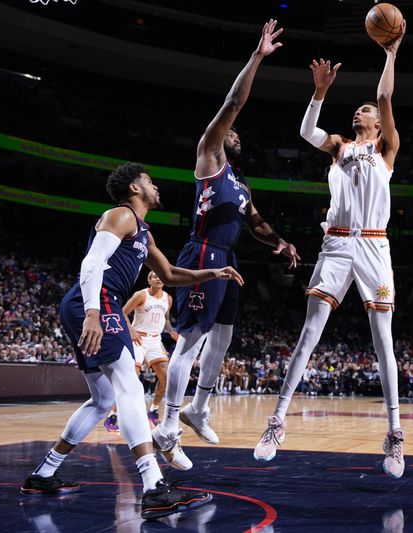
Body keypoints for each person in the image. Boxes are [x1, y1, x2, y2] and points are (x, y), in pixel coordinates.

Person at [20, 162, 243, 519]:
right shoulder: (121, 215)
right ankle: (155, 487)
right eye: (150, 181)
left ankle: (43, 474)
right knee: (130, 388)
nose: (156, 186)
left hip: (88, 304)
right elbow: (92, 262)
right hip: (98, 301)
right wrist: (93, 312)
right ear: (135, 189)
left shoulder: (144, 232)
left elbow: (169, 274)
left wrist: (212, 272)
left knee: (103, 397)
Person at [253, 21, 408, 479]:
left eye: (366, 110)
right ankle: (276, 421)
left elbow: (384, 98)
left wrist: (391, 54)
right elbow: (306, 131)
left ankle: (395, 434)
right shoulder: (339, 146)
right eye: (358, 108)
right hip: (337, 243)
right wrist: (319, 92)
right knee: (310, 332)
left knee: (384, 342)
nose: (360, 111)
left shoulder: (386, 147)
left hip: (375, 246)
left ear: (377, 122)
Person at [152, 19, 299, 470]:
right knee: (190, 343)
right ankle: (168, 426)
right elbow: (235, 102)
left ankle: (198, 407)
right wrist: (257, 56)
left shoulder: (239, 182)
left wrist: (282, 242)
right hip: (202, 252)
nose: (236, 134)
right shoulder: (209, 154)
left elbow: (255, 222)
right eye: (232, 130)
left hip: (229, 258)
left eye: (237, 135)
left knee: (224, 336)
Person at [123, 271, 179, 426]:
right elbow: (122, 313)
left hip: (155, 340)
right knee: (132, 379)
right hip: (138, 338)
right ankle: (114, 415)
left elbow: (165, 320)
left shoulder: (168, 298)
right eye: (154, 276)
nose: (158, 278)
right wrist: (130, 329)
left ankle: (153, 409)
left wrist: (172, 332)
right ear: (149, 280)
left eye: (160, 276)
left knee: (165, 377)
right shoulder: (141, 295)